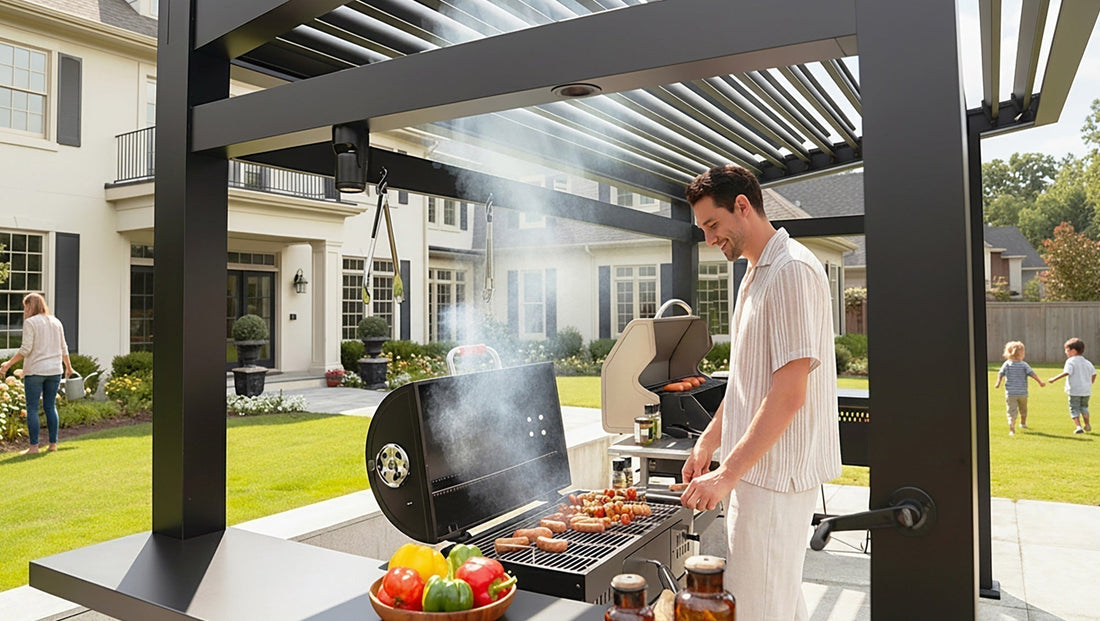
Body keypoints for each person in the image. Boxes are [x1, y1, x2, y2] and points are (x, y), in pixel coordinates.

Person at [678, 165, 841, 620]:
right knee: (781, 600)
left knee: (755, 609)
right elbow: (749, 381)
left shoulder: (790, 270)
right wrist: (710, 441)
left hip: (776, 477)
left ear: (743, 207)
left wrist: (726, 473)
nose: (710, 239)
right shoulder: (755, 274)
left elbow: (789, 392)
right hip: (757, 472)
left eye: (713, 224)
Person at [0, 293, 74, 454]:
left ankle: (34, 447)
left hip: (35, 371)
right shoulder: (56, 322)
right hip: (55, 370)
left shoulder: (30, 323)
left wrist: (8, 363)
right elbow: (64, 347)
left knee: (32, 408)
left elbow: (26, 349)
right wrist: (68, 367)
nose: (24, 310)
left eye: (25, 306)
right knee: (50, 406)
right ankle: (53, 445)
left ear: (30, 306)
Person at [993, 341, 1045, 435]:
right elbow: (1032, 374)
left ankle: (1012, 428)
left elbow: (1000, 374)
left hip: (1010, 393)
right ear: (1022, 354)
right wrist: (1040, 381)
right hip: (1022, 393)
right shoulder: (1024, 365)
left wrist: (998, 383)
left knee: (1011, 411)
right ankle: (1023, 423)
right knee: (1023, 409)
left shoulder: (1007, 364)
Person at [1047, 338, 1096, 435]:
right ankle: (1087, 424)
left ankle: (1078, 426)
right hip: (1086, 390)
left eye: (1067, 350)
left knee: (1074, 408)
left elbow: (1066, 372)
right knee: (1084, 407)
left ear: (1073, 351)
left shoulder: (1070, 361)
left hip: (1074, 390)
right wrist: (1090, 383)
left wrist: (1054, 379)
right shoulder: (1087, 362)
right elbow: (1094, 373)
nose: (1066, 352)